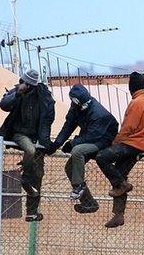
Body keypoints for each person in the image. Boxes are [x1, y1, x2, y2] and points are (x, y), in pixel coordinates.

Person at [95, 72, 144, 228]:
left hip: (131, 145)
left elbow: (127, 128)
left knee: (102, 157)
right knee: (120, 173)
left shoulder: (136, 103)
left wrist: (114, 143)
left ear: (132, 88)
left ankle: (122, 186)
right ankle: (118, 214)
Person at [49, 84, 118, 214]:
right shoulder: (76, 107)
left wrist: (73, 143)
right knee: (69, 167)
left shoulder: (98, 113)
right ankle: (89, 203)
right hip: (89, 137)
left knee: (77, 151)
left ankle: (78, 186)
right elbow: (68, 125)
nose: (73, 105)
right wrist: (57, 144)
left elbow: (93, 136)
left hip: (103, 140)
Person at [0, 69, 55, 222]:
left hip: (37, 137)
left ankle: (32, 211)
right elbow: (3, 105)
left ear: (31, 85)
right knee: (30, 150)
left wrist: (44, 141)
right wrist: (17, 93)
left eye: (25, 83)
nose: (22, 84)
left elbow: (48, 117)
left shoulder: (43, 96)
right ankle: (25, 178)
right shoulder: (17, 91)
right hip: (19, 134)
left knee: (38, 174)